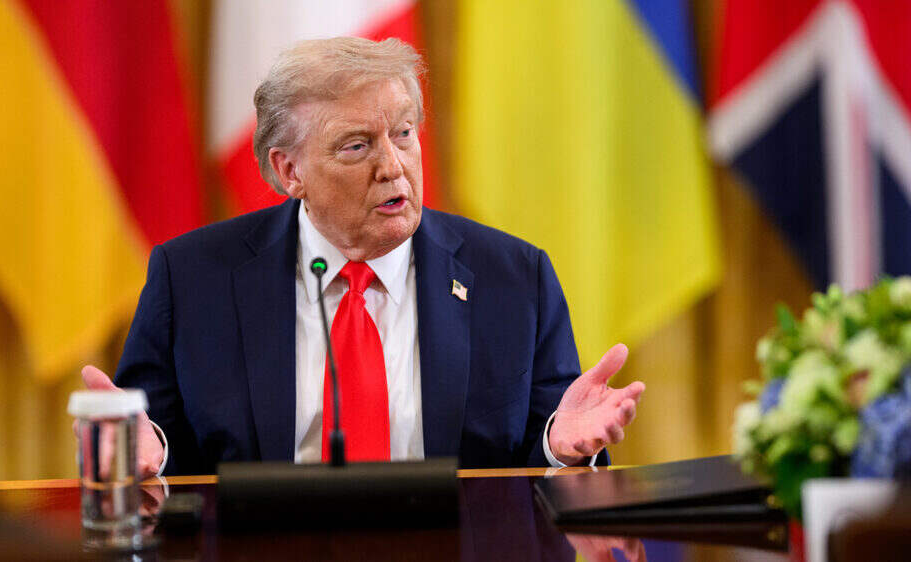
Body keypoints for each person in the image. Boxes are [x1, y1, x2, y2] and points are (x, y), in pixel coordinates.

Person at [81, 37, 645, 477]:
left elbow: (544, 472)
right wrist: (144, 455)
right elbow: (153, 451)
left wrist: (559, 449)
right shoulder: (193, 280)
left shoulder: (514, 278)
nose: (393, 167)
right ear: (289, 171)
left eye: (403, 133)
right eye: (357, 146)